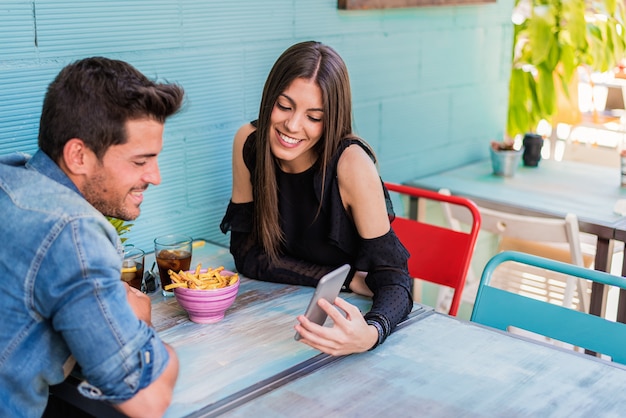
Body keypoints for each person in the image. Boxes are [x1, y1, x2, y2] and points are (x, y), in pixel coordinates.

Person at [0, 57, 185, 417]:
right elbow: (147, 401)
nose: (156, 176)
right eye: (139, 161)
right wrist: (136, 322)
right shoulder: (71, 231)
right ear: (78, 155)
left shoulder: (11, 178)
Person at [220, 41, 413, 356]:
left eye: (314, 116)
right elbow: (247, 254)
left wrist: (371, 332)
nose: (293, 126)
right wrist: (348, 278)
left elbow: (396, 281)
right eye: (284, 106)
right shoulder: (249, 142)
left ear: (332, 119)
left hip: (346, 322)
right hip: (277, 318)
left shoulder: (350, 164)